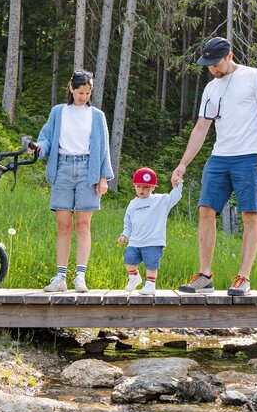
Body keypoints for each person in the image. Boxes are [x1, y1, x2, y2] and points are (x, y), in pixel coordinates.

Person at [171, 37, 257, 297]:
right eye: (208, 65)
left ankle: (243, 277)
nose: (212, 69)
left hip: (250, 156)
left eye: (215, 64)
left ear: (229, 56)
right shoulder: (211, 88)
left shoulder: (254, 77)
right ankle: (205, 276)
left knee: (250, 215)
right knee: (206, 209)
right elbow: (201, 128)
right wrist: (183, 163)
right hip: (219, 157)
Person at [33, 70, 114, 293]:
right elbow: (46, 138)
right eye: (80, 92)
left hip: (89, 169)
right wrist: (39, 147)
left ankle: (80, 276)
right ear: (71, 88)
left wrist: (103, 177)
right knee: (64, 225)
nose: (83, 97)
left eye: (87, 93)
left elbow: (103, 148)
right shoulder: (58, 112)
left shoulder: (97, 116)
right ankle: (60, 277)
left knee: (83, 224)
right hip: (63, 169)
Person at [118, 167, 183, 295]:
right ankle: (134, 277)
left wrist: (178, 184)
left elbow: (174, 197)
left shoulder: (160, 200)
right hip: (135, 242)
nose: (142, 190)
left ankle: (150, 285)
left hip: (153, 241)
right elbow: (128, 221)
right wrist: (125, 234)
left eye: (146, 187)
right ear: (134, 187)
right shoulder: (132, 204)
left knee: (151, 264)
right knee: (128, 259)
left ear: (153, 188)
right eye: (139, 187)